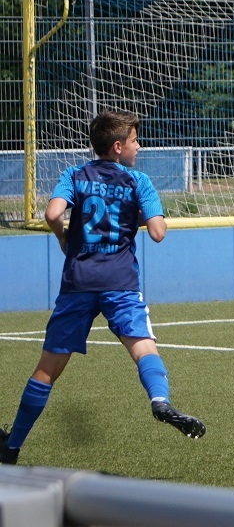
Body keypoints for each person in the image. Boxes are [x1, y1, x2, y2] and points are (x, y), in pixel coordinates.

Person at [0, 110, 205, 467]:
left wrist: (64, 237)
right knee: (144, 348)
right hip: (120, 283)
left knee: (47, 369)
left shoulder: (74, 175)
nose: (138, 146)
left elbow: (52, 214)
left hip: (78, 282)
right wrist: (135, 215)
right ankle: (160, 401)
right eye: (135, 141)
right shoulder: (138, 181)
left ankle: (12, 447)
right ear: (118, 146)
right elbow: (158, 232)